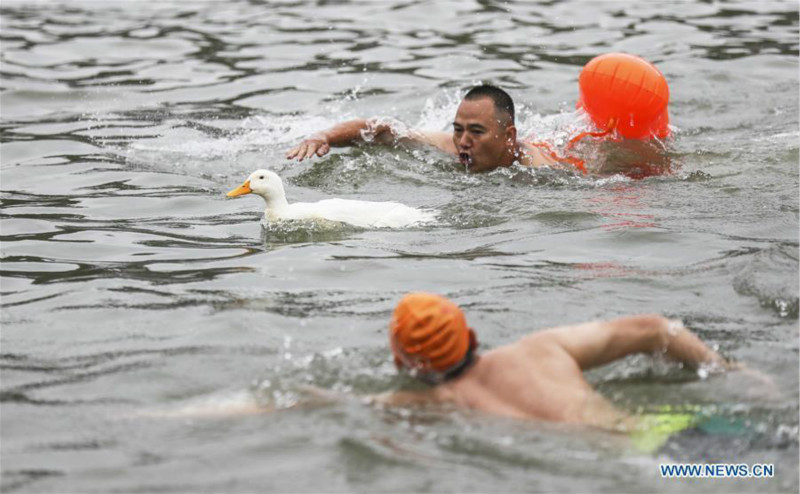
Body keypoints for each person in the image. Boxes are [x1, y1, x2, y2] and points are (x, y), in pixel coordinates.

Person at [377, 292, 737, 434]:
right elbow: (655, 329)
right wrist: (734, 374)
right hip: (683, 430)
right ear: (471, 338)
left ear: (400, 362)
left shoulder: (435, 404)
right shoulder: (540, 349)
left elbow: (331, 404)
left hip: (651, 469)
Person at [285, 85, 561, 173]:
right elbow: (378, 129)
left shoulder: (538, 168)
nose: (463, 141)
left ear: (508, 136)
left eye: (477, 132)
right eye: (458, 129)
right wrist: (323, 136)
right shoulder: (447, 145)